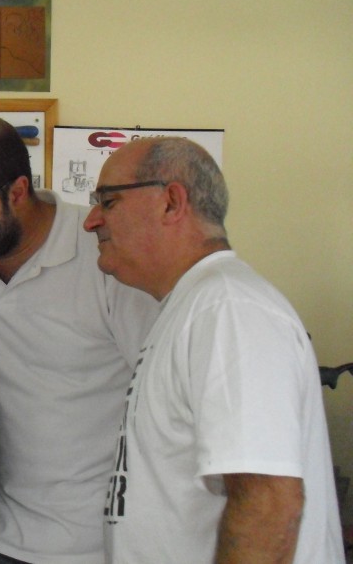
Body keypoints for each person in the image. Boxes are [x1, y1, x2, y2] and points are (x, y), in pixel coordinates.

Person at [82, 136, 343, 562]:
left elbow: (269, 503)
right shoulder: (195, 307)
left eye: (108, 202)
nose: (91, 221)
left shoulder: (227, 310)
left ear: (170, 202)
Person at [0, 112, 161, 564]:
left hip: (107, 543)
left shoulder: (103, 256)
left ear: (17, 192)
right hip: (1, 536)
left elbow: (169, 401)